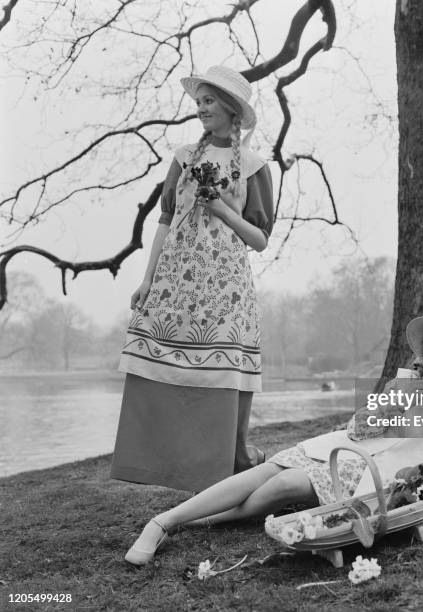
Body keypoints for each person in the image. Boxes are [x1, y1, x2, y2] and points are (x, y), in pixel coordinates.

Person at [124, 309, 423, 565]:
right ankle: (162, 521)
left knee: (283, 484)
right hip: (354, 447)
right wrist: (390, 406)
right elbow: (357, 428)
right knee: (272, 467)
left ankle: (185, 522)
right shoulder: (408, 382)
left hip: (381, 471)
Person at [111, 66, 274, 492]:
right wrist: (147, 280)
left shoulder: (255, 167)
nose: (200, 109)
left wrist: (221, 209)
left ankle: (228, 462)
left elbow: (259, 239)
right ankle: (165, 464)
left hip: (225, 286)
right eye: (199, 101)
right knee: (165, 362)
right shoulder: (184, 157)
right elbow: (165, 220)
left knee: (223, 371)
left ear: (231, 109)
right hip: (175, 281)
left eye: (208, 101)